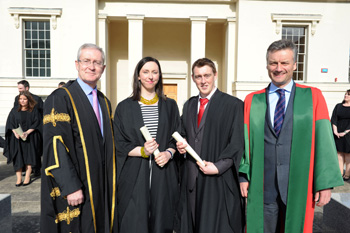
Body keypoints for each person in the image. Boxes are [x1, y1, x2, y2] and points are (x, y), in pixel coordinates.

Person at [239, 39, 344, 233]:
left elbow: (324, 142)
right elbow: (245, 142)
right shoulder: (253, 101)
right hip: (263, 186)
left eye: (284, 63)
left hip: (299, 185)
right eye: (273, 63)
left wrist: (325, 184)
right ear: (267, 65)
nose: (278, 68)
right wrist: (243, 175)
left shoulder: (313, 97)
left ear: (295, 65)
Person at [40, 43, 117, 233]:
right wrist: (70, 185)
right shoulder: (61, 98)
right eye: (87, 61)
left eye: (97, 63)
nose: (91, 66)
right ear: (77, 64)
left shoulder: (103, 102)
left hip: (100, 184)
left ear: (103, 69)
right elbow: (55, 145)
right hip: (76, 187)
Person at [176, 58, 245, 233]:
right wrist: (181, 146)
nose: (203, 80)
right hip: (191, 180)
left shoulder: (233, 105)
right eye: (198, 76)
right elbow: (184, 133)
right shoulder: (189, 105)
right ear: (193, 78)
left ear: (215, 75)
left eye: (207, 75)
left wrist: (219, 166)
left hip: (218, 181)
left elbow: (236, 142)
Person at [114, 57, 181, 233]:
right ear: (138, 76)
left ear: (159, 76)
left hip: (163, 174)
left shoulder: (170, 106)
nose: (150, 76)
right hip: (135, 174)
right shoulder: (124, 107)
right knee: (135, 223)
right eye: (146, 72)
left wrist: (168, 153)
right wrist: (143, 150)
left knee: (162, 222)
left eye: (155, 72)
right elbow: (119, 142)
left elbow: (177, 136)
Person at [4, 91, 42, 186]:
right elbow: (10, 123)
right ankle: (19, 178)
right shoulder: (14, 110)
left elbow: (37, 123)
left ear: (28, 100)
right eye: (20, 99)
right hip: (17, 139)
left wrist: (27, 132)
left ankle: (28, 177)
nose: (22, 101)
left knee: (29, 158)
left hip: (30, 138)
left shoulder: (33, 110)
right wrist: (15, 132)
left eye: (24, 99)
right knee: (18, 158)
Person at [14, 80, 43, 177]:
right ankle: (26, 169)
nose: (19, 90)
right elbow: (15, 113)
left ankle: (37, 170)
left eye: (21, 88)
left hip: (35, 129)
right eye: (18, 89)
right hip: (21, 129)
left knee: (35, 150)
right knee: (23, 150)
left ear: (27, 88)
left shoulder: (37, 99)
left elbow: (42, 115)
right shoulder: (16, 98)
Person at [331, 89, 350, 180]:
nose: (346, 95)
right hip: (337, 133)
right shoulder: (338, 106)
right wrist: (335, 131)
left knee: (348, 155)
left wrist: (345, 132)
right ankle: (339, 174)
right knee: (339, 154)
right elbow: (334, 118)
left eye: (348, 94)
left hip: (348, 134)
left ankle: (347, 174)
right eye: (346, 94)